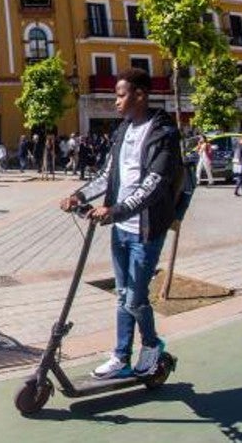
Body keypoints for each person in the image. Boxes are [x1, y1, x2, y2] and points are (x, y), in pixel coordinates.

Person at [59, 68, 180, 380]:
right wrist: (77, 196)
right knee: (123, 293)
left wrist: (115, 210)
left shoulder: (163, 133)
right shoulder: (123, 131)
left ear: (139, 95)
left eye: (121, 95)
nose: (116, 101)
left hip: (146, 229)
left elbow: (154, 184)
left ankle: (152, 345)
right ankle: (121, 356)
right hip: (122, 229)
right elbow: (105, 175)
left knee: (135, 297)